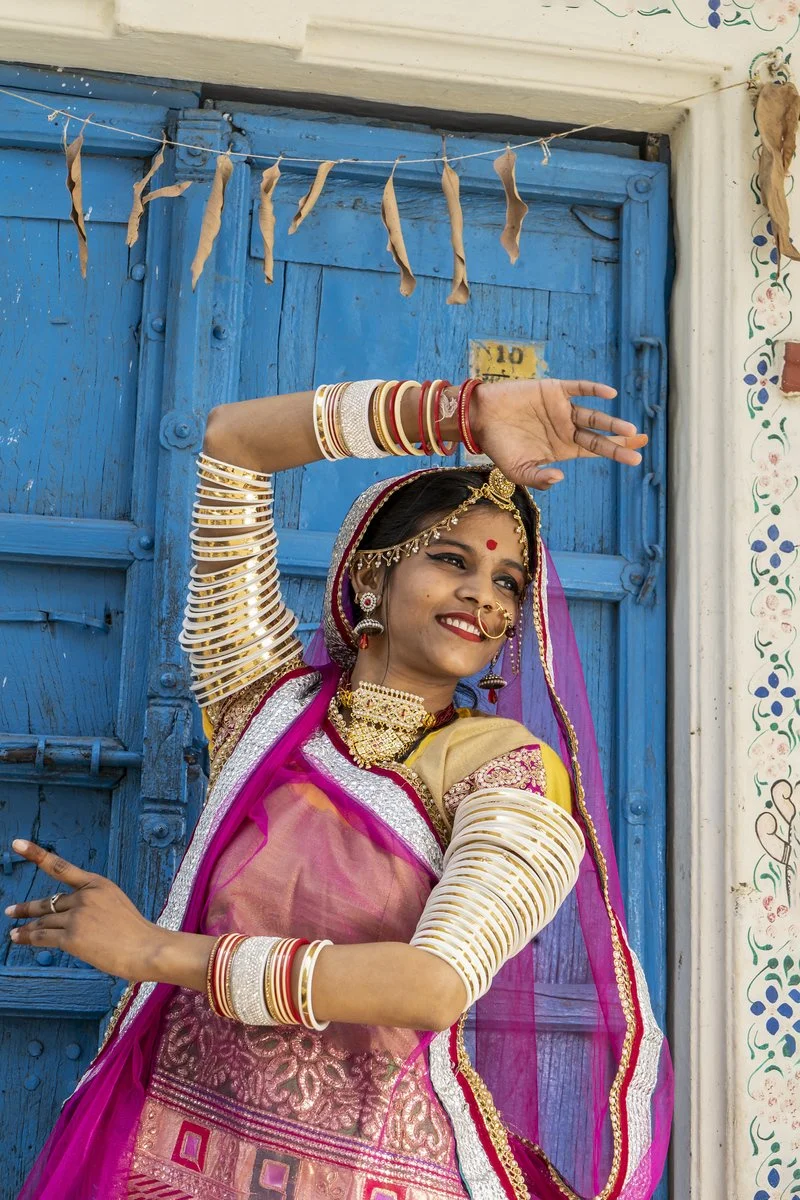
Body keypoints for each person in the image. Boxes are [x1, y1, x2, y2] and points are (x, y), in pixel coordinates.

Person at [9, 376, 672, 1200]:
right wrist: (457, 414)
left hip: (380, 1174)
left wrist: (152, 952)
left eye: (507, 583)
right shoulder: (264, 705)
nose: (482, 594)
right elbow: (231, 442)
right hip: (169, 1160)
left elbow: (430, 988)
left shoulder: (510, 771)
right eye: (450, 560)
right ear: (369, 579)